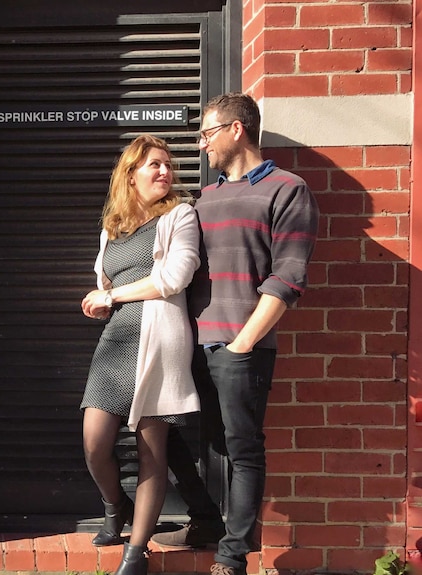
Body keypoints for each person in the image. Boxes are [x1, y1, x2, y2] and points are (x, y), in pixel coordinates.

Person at [150, 92, 319, 575]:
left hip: (240, 347)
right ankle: (204, 519)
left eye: (206, 134)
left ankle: (233, 554)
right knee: (166, 435)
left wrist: (244, 342)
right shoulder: (202, 199)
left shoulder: (288, 190)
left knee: (243, 448)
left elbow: (288, 277)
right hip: (186, 346)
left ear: (235, 130)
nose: (201, 145)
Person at [80, 134, 202, 575]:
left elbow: (174, 278)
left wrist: (110, 298)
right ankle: (116, 507)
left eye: (168, 165)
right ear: (131, 175)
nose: (165, 172)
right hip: (117, 341)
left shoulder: (181, 216)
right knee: (95, 442)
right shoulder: (113, 227)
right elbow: (108, 284)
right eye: (154, 165)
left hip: (161, 341)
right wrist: (102, 301)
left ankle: (136, 553)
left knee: (153, 450)